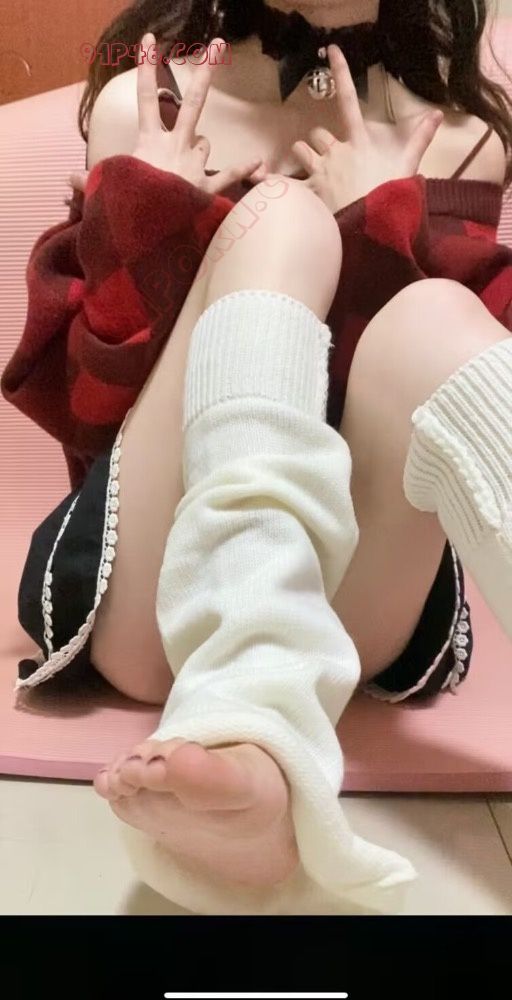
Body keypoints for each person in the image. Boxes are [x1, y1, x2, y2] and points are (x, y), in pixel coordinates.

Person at [2, 0, 512, 913]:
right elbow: (87, 416)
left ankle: (255, 724)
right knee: (279, 221)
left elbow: (430, 430)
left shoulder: (463, 131)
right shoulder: (147, 104)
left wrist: (385, 220)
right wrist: (151, 214)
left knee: (436, 316)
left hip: (356, 614)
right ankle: (243, 703)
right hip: (155, 612)